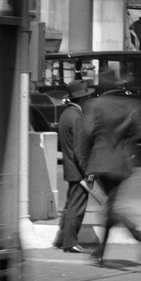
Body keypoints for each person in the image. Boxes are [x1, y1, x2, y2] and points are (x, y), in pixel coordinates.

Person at [77, 78, 141, 265]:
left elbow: (88, 133)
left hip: (99, 162)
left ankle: (139, 236)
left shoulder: (94, 105)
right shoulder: (132, 105)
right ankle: (100, 252)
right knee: (108, 207)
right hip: (121, 163)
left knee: (108, 208)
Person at [51, 78, 92, 251]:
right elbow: (81, 149)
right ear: (82, 99)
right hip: (78, 170)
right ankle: (71, 242)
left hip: (70, 168)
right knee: (77, 208)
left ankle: (61, 239)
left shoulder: (66, 115)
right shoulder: (77, 118)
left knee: (69, 206)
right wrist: (88, 171)